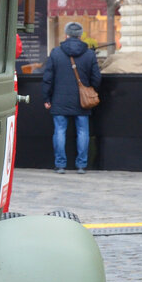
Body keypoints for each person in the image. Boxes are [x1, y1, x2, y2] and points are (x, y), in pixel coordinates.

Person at [42, 21, 101, 175]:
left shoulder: (55, 53)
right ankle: (81, 165)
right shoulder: (89, 54)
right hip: (82, 101)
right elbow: (96, 79)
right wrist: (89, 87)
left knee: (59, 131)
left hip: (59, 100)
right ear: (80, 35)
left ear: (66, 34)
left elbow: (48, 78)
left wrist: (47, 98)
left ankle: (60, 165)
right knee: (83, 132)